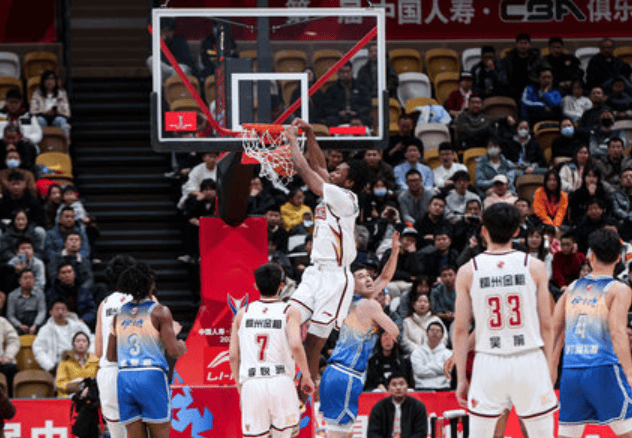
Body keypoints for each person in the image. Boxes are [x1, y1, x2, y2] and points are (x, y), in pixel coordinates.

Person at [453, 203, 557, 438]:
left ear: (483, 231)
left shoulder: (468, 270)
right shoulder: (535, 266)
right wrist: (550, 366)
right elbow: (547, 324)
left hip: (488, 361)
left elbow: (460, 330)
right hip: (529, 358)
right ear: (517, 232)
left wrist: (461, 378)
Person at [286, 121, 362, 382]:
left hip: (335, 277)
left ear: (349, 181)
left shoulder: (346, 198)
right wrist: (310, 134)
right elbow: (318, 166)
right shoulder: (334, 190)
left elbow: (306, 170)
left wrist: (292, 141)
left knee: (314, 343)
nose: (333, 170)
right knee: (289, 319)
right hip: (314, 272)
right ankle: (295, 382)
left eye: (339, 171)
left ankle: (308, 394)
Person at [550, 229, 632, 438]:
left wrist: (552, 366)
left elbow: (555, 329)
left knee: (568, 434)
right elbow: (618, 333)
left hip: (571, 371)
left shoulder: (571, 288)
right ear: (618, 258)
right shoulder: (619, 289)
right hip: (603, 368)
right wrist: (630, 373)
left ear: (591, 256)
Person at [318, 235, 400, 438]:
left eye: (369, 276)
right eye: (361, 277)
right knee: (338, 435)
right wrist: (380, 316)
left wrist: (395, 252)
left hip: (336, 373)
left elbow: (385, 278)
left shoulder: (353, 302)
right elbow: (394, 330)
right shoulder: (370, 305)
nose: (369, 279)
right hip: (346, 374)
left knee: (343, 433)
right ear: (351, 285)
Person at [228, 263, 314, 438]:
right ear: (281, 285)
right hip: (281, 381)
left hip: (252, 383)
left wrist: (239, 384)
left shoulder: (242, 313)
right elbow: (296, 345)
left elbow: (233, 356)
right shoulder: (290, 311)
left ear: (256, 286)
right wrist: (306, 375)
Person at [106, 265, 186, 438]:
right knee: (160, 433)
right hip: (151, 376)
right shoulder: (159, 311)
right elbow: (174, 351)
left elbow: (110, 356)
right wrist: (182, 345)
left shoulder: (118, 314)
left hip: (125, 377)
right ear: (151, 285)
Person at [93, 254, 135, 438]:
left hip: (109, 372)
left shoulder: (104, 304)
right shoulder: (145, 299)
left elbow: (98, 351)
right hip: (137, 370)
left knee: (117, 434)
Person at [33, 298, 92, 373]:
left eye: (63, 309)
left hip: (81, 362)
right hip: (58, 365)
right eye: (57, 309)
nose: (60, 312)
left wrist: (88, 359)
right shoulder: (45, 330)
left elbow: (92, 340)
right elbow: (38, 349)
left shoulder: (79, 326)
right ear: (51, 312)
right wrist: (50, 366)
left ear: (67, 312)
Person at [366, 371, 428, 438]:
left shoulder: (417, 406)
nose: (398, 388)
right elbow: (372, 433)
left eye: (401, 384)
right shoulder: (379, 407)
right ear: (388, 388)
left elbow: (421, 433)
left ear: (407, 386)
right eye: (394, 385)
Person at [502, 33, 547, 101]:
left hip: (532, 87)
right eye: (521, 43)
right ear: (516, 45)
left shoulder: (537, 58)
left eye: (525, 43)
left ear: (529, 45)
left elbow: (545, 71)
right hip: (512, 88)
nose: (523, 46)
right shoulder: (508, 58)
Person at [410, 321, 453, 390]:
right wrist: (440, 367)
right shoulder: (417, 352)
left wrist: (427, 366)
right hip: (422, 388)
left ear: (442, 335)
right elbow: (419, 371)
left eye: (438, 331)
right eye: (432, 330)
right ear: (427, 333)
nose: (434, 333)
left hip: (443, 388)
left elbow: (448, 370)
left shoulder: (448, 353)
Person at [401, 290, 446, 354]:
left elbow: (444, 337)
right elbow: (405, 340)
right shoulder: (407, 321)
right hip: (415, 354)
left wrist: (435, 349)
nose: (422, 304)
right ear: (413, 305)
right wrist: (418, 350)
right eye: (419, 301)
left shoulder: (436, 320)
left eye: (425, 302)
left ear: (429, 305)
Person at [55, 331, 98, 398]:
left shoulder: (95, 361)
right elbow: (59, 383)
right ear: (73, 344)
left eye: (84, 341)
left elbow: (98, 381)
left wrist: (88, 389)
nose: (81, 343)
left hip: (90, 397)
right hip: (68, 397)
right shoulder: (66, 361)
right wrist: (72, 387)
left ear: (88, 344)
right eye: (78, 341)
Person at [29, 70, 71, 134]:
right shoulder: (37, 93)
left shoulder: (62, 93)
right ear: (43, 82)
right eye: (47, 79)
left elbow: (67, 112)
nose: (50, 81)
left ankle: (65, 140)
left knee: (62, 122)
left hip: (57, 116)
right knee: (39, 121)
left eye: (52, 79)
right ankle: (38, 140)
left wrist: (57, 111)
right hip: (42, 116)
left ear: (55, 81)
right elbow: (32, 111)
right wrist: (44, 112)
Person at [6, 269, 46, 334]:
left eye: (30, 278)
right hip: (19, 324)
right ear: (20, 281)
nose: (28, 280)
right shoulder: (12, 295)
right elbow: (10, 315)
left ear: (34, 280)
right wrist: (19, 325)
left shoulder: (40, 293)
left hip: (35, 323)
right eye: (25, 278)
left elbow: (42, 311)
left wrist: (35, 325)